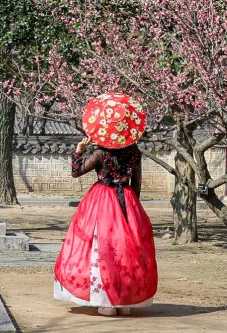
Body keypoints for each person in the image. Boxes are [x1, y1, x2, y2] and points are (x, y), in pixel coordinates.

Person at [53, 97, 158, 317]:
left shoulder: (100, 153)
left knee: (102, 248)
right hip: (127, 199)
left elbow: (76, 172)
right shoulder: (135, 152)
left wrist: (79, 150)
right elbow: (137, 184)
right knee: (125, 249)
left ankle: (106, 302)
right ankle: (124, 301)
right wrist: (133, 211)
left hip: (102, 200)